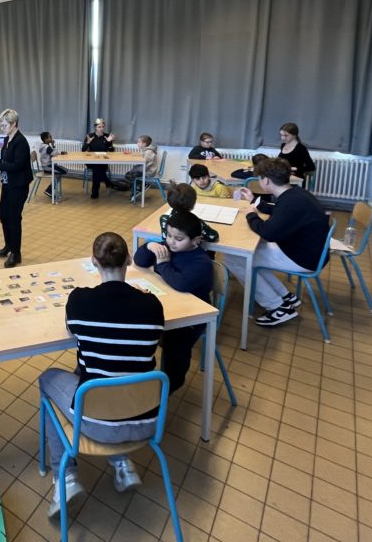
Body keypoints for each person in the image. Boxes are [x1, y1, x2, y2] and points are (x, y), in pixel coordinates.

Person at [38, 232, 164, 518]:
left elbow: (71, 330)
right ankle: (122, 463)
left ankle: (66, 478)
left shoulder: (80, 300)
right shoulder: (152, 305)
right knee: (106, 371)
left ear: (94, 262)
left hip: (98, 423)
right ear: (129, 260)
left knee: (48, 379)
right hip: (148, 420)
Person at [228, 157, 329, 327]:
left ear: (266, 181)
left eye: (260, 178)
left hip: (305, 258)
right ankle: (284, 295)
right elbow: (280, 211)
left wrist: (251, 215)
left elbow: (268, 233)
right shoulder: (296, 193)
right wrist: (255, 202)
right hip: (310, 250)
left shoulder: (290, 202)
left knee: (235, 258)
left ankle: (277, 307)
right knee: (253, 253)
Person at [133, 211, 213, 393]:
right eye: (168, 235)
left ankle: (170, 385)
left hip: (192, 316)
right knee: (132, 325)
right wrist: (150, 246)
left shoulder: (201, 262)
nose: (171, 242)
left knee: (175, 344)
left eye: (178, 238)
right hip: (164, 304)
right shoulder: (167, 247)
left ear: (196, 240)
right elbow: (140, 261)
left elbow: (181, 284)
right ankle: (133, 376)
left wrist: (162, 264)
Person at [0, 109, 32, 267]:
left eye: (5, 125)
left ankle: (16, 254)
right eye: (1, 124)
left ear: (14, 124)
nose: (2, 127)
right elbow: (5, 159)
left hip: (18, 185)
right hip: (8, 184)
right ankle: (9, 246)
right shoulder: (7, 139)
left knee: (13, 218)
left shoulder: (21, 142)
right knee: (3, 214)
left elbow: (17, 165)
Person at [82, 118, 115, 198]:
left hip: (103, 161)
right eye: (99, 127)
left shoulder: (107, 136)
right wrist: (88, 142)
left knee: (97, 170)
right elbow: (83, 150)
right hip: (91, 161)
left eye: (103, 127)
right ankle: (108, 183)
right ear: (95, 127)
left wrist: (109, 142)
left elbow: (111, 151)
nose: (101, 129)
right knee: (97, 169)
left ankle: (95, 192)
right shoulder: (90, 136)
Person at [126, 135, 158, 201]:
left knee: (130, 175)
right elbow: (142, 159)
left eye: (138, 142)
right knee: (130, 173)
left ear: (144, 144)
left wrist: (135, 168)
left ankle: (137, 189)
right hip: (146, 169)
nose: (137, 143)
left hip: (148, 172)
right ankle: (139, 186)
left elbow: (145, 164)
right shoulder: (146, 150)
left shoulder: (149, 152)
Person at [38, 131, 66, 198]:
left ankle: (50, 189)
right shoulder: (47, 147)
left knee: (62, 171)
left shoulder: (44, 146)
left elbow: (53, 152)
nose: (51, 138)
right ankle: (49, 190)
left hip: (47, 165)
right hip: (47, 166)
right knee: (63, 171)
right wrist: (53, 145)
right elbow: (54, 154)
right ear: (45, 139)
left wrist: (60, 153)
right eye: (50, 137)